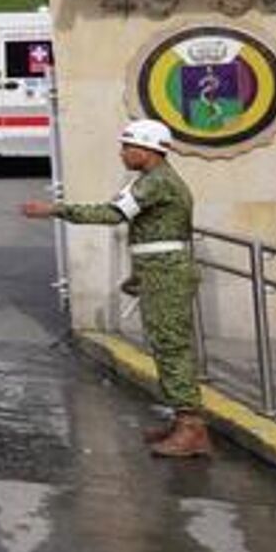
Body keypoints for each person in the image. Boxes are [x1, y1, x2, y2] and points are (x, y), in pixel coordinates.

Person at [22, 118, 211, 459]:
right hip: (159, 273)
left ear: (148, 150)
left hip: (166, 274)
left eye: (128, 147)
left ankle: (191, 427)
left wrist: (54, 209)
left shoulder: (156, 182)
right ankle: (182, 420)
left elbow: (112, 215)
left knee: (171, 347)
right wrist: (140, 275)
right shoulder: (153, 180)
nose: (122, 153)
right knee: (166, 346)